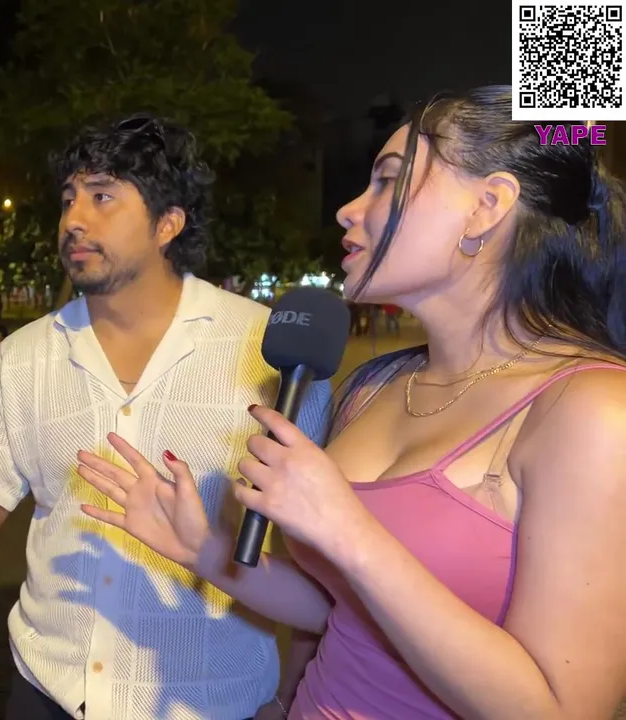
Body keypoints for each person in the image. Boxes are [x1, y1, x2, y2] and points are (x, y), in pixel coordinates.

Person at [73, 87, 626, 719]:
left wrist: (351, 532)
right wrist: (205, 549)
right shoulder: (374, 387)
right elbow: (341, 612)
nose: (346, 210)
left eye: (388, 181)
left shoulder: (593, 410)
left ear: (486, 206)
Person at [0, 113, 331, 720]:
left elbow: (319, 568)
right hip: (48, 690)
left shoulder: (269, 354)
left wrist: (290, 697)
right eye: (68, 198)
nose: (74, 218)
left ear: (168, 223)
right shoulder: (25, 356)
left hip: (205, 701)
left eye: (102, 197)